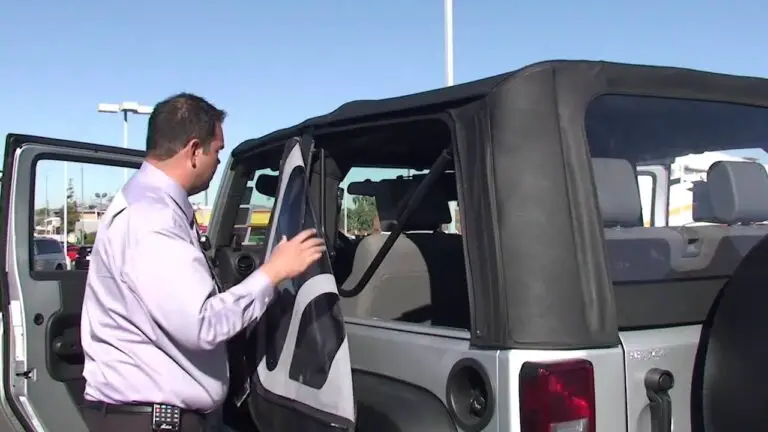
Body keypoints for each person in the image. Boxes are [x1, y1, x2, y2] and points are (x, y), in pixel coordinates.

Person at [79, 92, 325, 431]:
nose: (218, 161)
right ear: (194, 150)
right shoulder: (153, 221)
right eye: (217, 151)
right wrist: (274, 272)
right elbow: (203, 324)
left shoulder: (148, 207)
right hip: (156, 421)